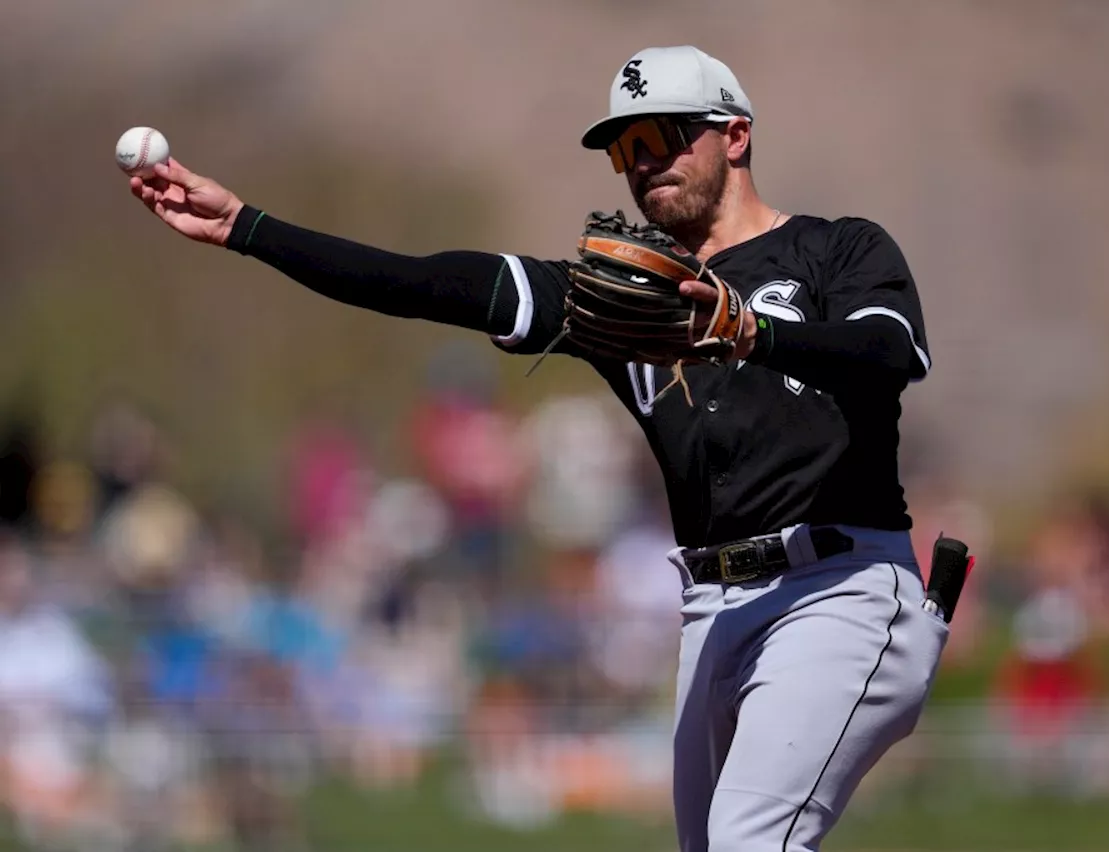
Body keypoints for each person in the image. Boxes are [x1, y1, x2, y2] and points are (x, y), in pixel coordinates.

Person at [126, 44, 950, 852]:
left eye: (664, 134)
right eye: (625, 147)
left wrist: (752, 330)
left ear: (734, 134)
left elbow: (887, 355)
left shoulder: (838, 250)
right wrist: (248, 228)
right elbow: (422, 283)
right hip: (712, 608)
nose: (641, 161)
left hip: (840, 587)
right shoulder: (622, 301)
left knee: (749, 842)